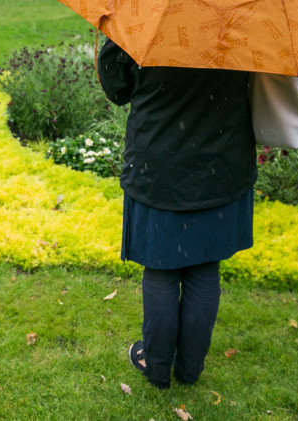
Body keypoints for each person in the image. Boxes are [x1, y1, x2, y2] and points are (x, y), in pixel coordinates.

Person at [97, 37, 257, 389]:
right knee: (204, 269)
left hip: (158, 164)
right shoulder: (242, 16)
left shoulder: (143, 17)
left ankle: (156, 367)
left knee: (160, 269)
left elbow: (117, 88)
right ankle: (189, 369)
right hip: (220, 162)